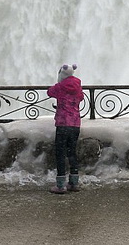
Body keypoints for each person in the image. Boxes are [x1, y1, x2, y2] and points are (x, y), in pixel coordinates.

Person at [47, 63, 84, 194]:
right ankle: (74, 183)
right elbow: (81, 97)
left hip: (63, 124)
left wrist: (59, 82)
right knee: (72, 152)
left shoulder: (60, 87)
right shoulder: (78, 87)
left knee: (60, 153)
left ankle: (60, 185)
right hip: (75, 124)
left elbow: (49, 92)